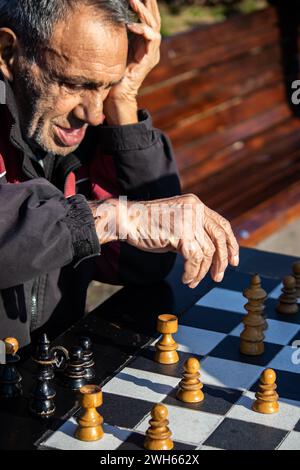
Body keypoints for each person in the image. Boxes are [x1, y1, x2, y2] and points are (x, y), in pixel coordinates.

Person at [0, 0, 239, 347]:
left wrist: (123, 99)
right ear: (8, 53)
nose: (94, 114)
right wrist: (115, 217)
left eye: (104, 85)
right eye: (75, 84)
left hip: (43, 373)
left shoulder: (82, 122)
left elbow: (139, 266)